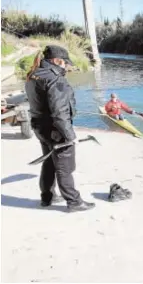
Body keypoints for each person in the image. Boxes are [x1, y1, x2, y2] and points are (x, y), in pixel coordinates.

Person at [25, 45, 95, 212]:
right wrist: (70, 135)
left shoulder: (33, 74)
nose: (66, 67)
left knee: (49, 162)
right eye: (65, 63)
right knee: (65, 166)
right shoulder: (55, 79)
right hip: (56, 130)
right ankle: (74, 202)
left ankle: (47, 198)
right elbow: (59, 112)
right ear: (57, 61)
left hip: (39, 127)